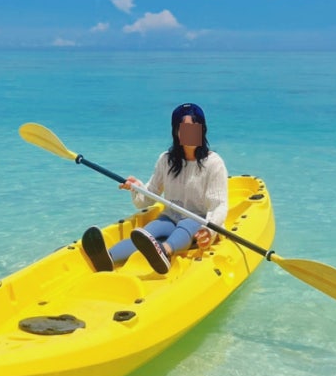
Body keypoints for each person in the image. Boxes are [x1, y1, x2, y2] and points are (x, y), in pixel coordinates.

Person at [82, 103, 228, 275]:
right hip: (170, 217)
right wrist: (136, 187)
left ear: (202, 130)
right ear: (176, 132)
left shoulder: (213, 163)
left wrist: (210, 230)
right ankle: (109, 257)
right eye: (184, 129)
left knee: (187, 224)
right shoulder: (166, 160)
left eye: (194, 128)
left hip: (199, 220)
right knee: (147, 232)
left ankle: (164, 251)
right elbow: (148, 198)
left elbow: (219, 205)